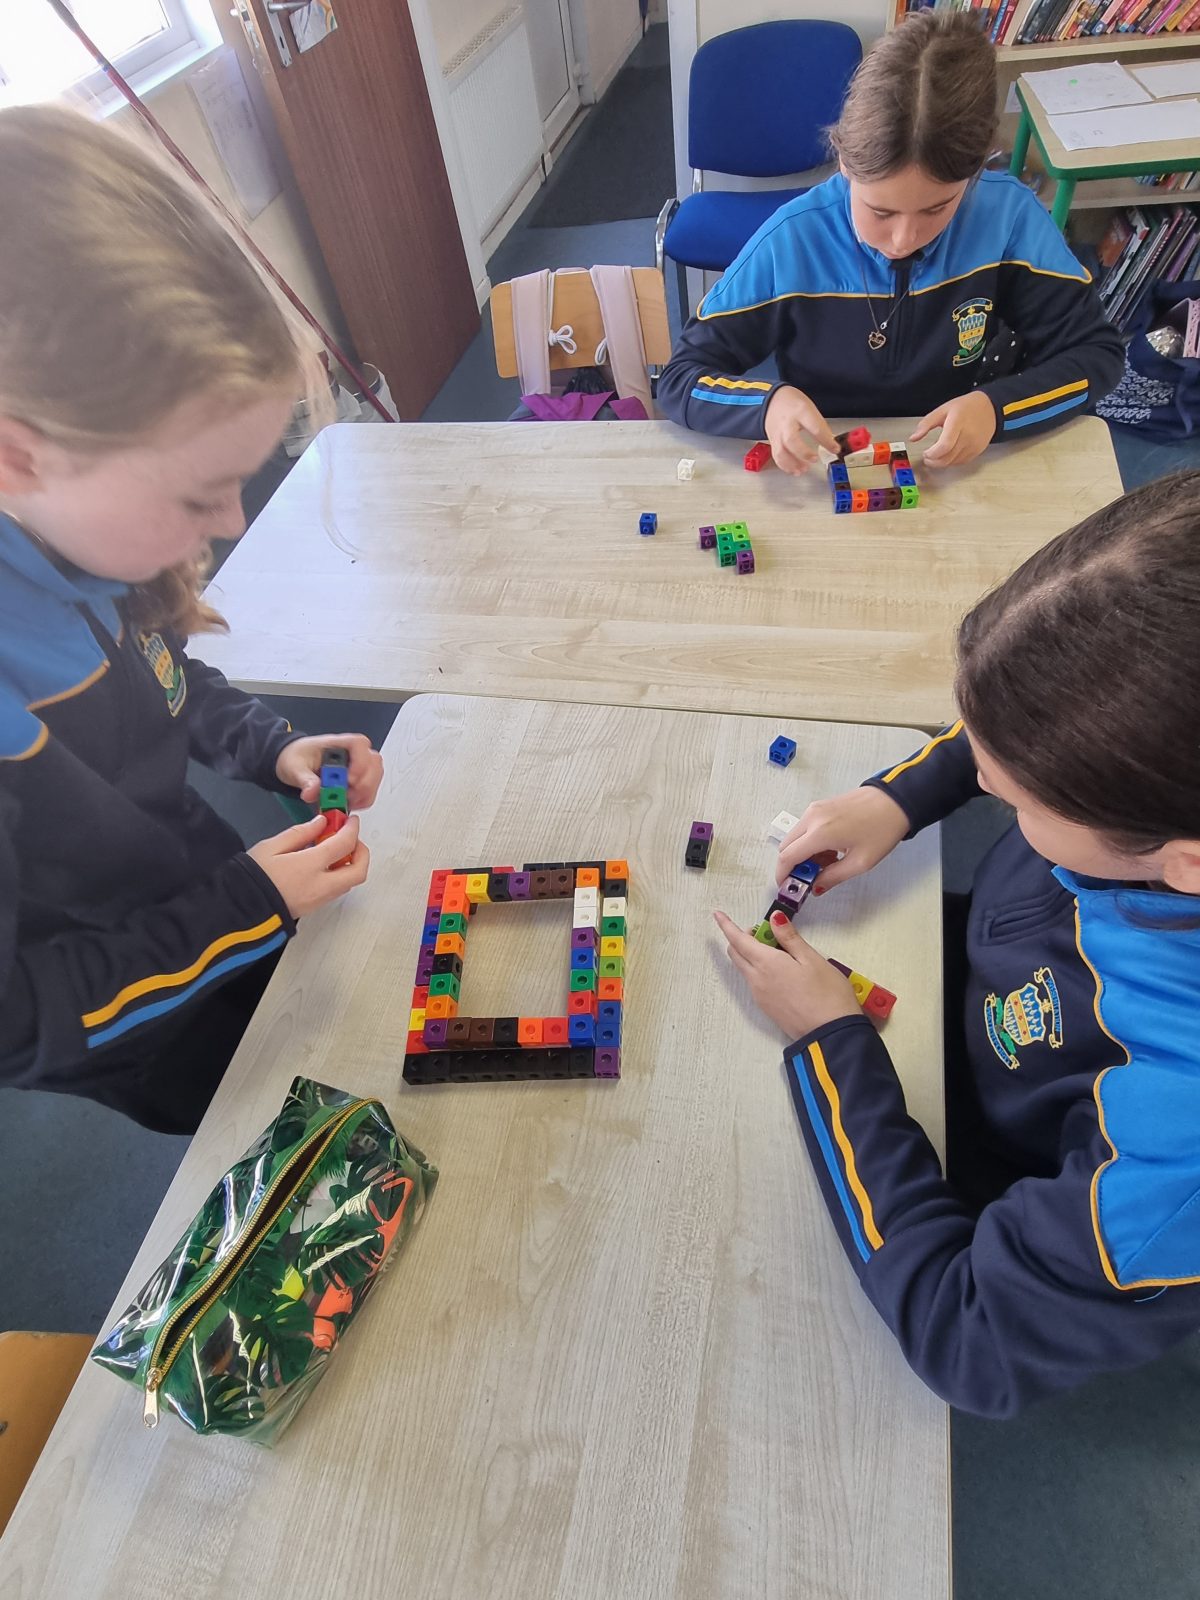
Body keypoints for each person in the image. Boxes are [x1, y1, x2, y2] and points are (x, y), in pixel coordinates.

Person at [715, 470, 1200, 1418]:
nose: (980, 781)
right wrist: (901, 796)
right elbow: (1037, 714)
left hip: (990, 1156)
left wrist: (831, 1048)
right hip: (991, 991)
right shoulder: (1151, 775)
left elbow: (965, 1336)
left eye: (1012, 796)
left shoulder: (1174, 1150)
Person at [0, 105, 382, 1135]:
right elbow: (17, 1023)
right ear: (18, 455)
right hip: (142, 1023)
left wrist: (274, 746)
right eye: (199, 492)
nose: (232, 523)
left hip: (216, 897)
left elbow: (164, 684)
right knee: (262, 1119)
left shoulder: (84, 534)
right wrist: (242, 910)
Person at [659, 10, 1124, 474]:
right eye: (880, 212)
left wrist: (996, 409)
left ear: (975, 173)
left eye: (937, 209)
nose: (903, 240)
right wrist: (768, 405)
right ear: (844, 161)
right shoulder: (792, 241)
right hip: (830, 459)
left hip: (953, 459)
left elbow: (1097, 355)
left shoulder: (1009, 219)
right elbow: (680, 379)